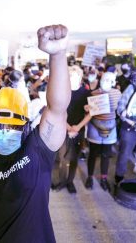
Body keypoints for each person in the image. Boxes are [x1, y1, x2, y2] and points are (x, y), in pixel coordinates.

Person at [0, 24, 71, 243]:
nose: (4, 131)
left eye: (12, 125)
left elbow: (57, 109)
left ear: (25, 126)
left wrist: (57, 55)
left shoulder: (38, 148)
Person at [51, 65, 91, 193]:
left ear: (80, 77)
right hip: (63, 128)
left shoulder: (86, 93)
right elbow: (59, 111)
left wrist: (77, 128)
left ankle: (70, 181)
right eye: (71, 75)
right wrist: (69, 128)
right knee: (62, 157)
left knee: (74, 157)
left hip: (79, 129)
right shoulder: (62, 92)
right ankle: (62, 180)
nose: (73, 78)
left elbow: (91, 113)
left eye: (76, 75)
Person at [85, 72, 121, 191]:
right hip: (95, 126)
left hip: (110, 128)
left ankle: (104, 178)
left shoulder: (117, 93)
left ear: (114, 81)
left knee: (106, 155)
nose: (108, 82)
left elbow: (119, 109)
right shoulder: (93, 93)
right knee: (93, 154)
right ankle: (90, 177)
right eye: (105, 79)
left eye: (111, 80)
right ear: (101, 80)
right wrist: (86, 108)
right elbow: (87, 111)